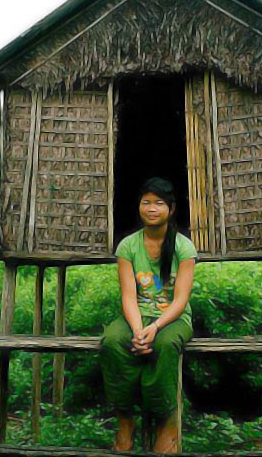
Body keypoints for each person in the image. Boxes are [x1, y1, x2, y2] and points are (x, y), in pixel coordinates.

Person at [99, 177, 197, 453]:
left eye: (159, 203)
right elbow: (129, 296)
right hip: (136, 316)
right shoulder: (128, 246)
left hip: (173, 318)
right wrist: (138, 328)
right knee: (112, 341)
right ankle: (124, 420)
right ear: (139, 207)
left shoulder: (183, 246)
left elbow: (180, 300)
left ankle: (166, 422)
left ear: (171, 209)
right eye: (146, 202)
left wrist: (154, 327)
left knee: (165, 344)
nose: (151, 208)